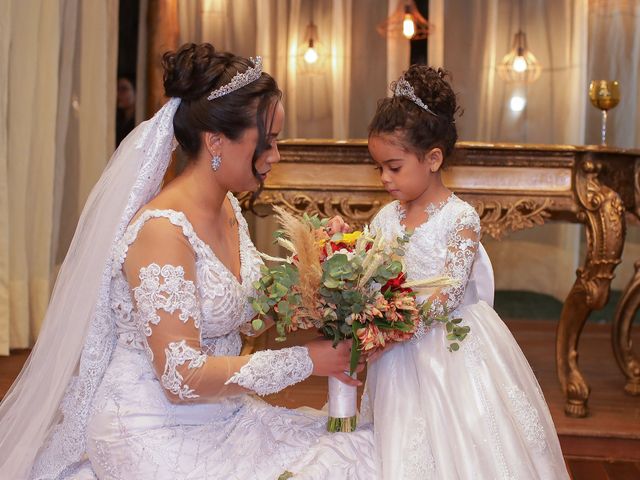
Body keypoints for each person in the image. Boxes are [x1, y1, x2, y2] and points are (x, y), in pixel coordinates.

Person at [0, 43, 377, 479]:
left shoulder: (228, 209)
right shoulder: (162, 232)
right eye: (267, 142)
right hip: (151, 430)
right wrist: (308, 361)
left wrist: (321, 274)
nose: (275, 156)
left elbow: (246, 320)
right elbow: (181, 377)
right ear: (215, 140)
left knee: (359, 451)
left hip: (220, 416)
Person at [360, 64, 570, 479]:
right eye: (378, 168)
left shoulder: (461, 219)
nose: (384, 177)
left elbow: (449, 295)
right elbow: (367, 270)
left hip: (449, 350)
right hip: (394, 355)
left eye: (394, 166)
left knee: (465, 440)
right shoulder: (386, 218)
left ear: (433, 158)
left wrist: (396, 329)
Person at [116, 75, 136, 146]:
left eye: (124, 89)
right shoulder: (118, 120)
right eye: (117, 89)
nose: (118, 94)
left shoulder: (138, 120)